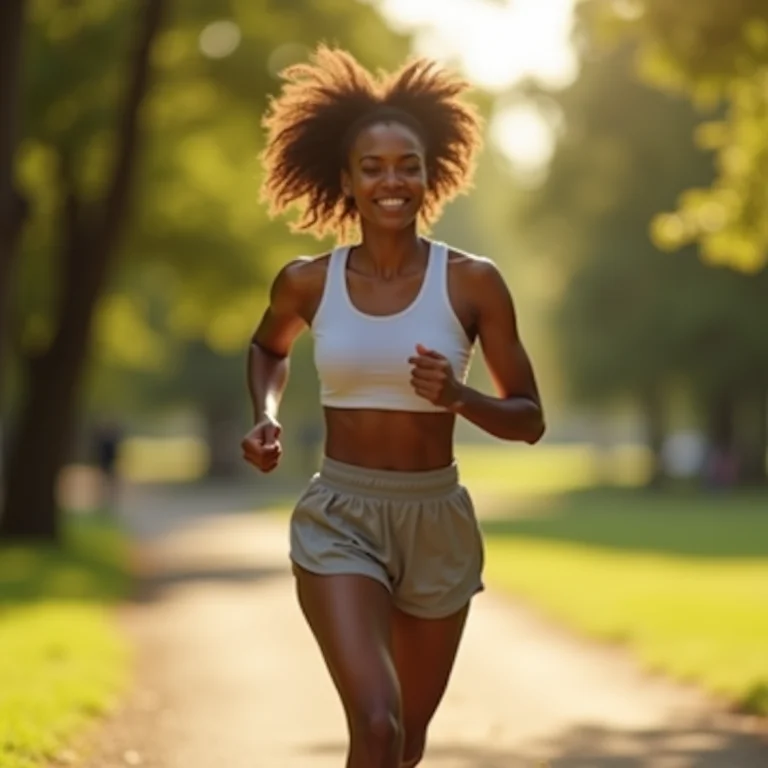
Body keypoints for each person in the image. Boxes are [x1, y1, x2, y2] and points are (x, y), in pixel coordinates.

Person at [241, 45, 545, 768]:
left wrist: (459, 396)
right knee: (376, 725)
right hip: (341, 517)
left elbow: (529, 418)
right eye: (372, 167)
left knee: (402, 745)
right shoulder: (307, 283)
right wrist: (268, 415)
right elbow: (268, 349)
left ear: (430, 174)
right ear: (345, 180)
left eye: (407, 164)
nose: (392, 180)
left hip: (436, 519)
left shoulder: (473, 284)